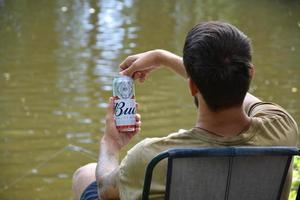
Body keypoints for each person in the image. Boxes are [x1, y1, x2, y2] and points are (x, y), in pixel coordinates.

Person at [72, 21, 299, 200]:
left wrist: (110, 144)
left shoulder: (154, 158)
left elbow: (104, 188)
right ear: (250, 73)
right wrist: (165, 58)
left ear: (191, 86)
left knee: (85, 175)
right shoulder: (282, 128)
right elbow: (239, 91)